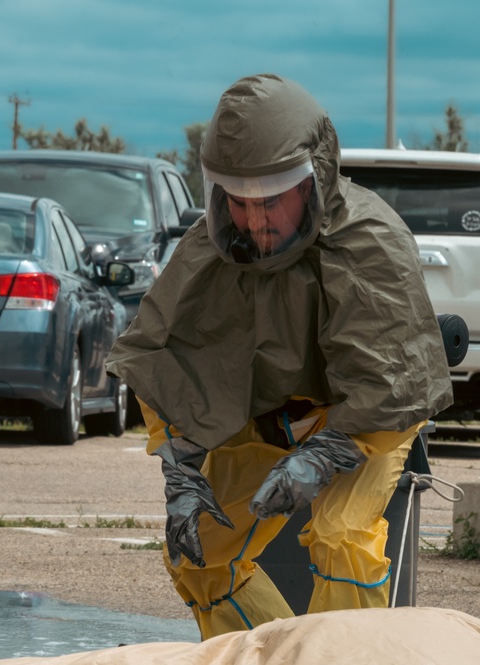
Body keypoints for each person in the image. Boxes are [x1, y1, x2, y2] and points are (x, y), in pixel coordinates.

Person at [105, 74, 453, 640]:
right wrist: (180, 468)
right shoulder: (208, 250)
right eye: (238, 203)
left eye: (269, 200)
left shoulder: (368, 240)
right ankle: (272, 656)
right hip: (275, 420)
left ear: (311, 179)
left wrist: (323, 454)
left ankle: (346, 659)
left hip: (365, 420)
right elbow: (161, 358)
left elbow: (386, 383)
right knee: (199, 556)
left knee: (341, 535)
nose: (255, 220)